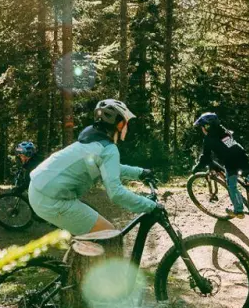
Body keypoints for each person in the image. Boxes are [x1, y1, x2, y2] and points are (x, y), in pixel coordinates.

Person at [28, 99, 158, 235]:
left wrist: (140, 173)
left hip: (39, 190)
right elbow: (116, 194)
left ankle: (83, 255)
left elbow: (110, 168)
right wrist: (151, 207)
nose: (127, 127)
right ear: (119, 124)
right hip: (52, 200)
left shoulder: (94, 141)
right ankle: (86, 256)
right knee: (109, 234)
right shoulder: (108, 148)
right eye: (126, 122)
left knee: (96, 234)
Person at [191, 112, 249, 217]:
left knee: (231, 186)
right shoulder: (223, 130)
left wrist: (197, 167)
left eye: (202, 127)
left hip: (231, 163)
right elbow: (227, 145)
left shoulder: (208, 139)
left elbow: (206, 157)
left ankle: (238, 210)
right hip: (242, 156)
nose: (202, 130)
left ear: (207, 126)